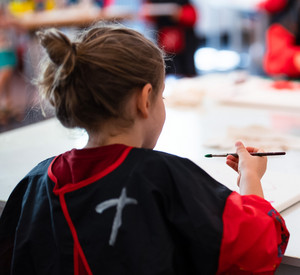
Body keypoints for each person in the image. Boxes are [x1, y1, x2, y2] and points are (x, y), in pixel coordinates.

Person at [0, 23, 289, 274]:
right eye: (161, 95)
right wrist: (250, 178)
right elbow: (258, 244)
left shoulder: (35, 182)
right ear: (145, 99)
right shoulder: (161, 178)